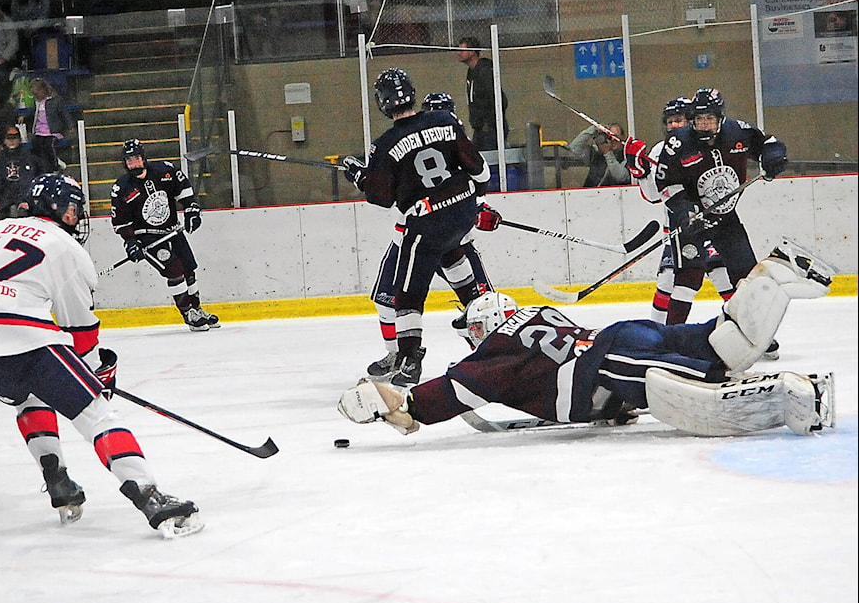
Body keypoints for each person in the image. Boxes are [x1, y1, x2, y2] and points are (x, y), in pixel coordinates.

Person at [0, 173, 203, 538]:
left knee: (30, 396)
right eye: (72, 209)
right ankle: (150, 498)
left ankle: (58, 481)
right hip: (20, 334)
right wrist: (99, 374)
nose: (76, 216)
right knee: (95, 412)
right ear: (53, 208)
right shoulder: (68, 250)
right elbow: (81, 335)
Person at [339, 239, 835, 439]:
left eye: (471, 330)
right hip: (621, 332)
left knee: (688, 379)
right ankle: (770, 275)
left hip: (604, 363)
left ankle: (764, 393)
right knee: (716, 339)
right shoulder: (536, 314)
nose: (472, 340)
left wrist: (388, 404)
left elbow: (438, 397)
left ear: (483, 326)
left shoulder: (494, 350)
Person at [342, 68, 491, 386]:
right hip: (461, 216)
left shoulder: (385, 145)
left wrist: (359, 176)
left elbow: (380, 197)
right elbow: (478, 169)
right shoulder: (446, 122)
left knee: (407, 297)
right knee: (465, 277)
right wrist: (475, 202)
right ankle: (502, 347)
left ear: (382, 104)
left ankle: (409, 360)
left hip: (425, 227)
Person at [627, 88, 788, 333]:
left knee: (745, 275)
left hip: (725, 218)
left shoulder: (738, 131)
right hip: (692, 221)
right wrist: (684, 210)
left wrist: (773, 156)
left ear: (720, 117)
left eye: (709, 119)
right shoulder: (677, 143)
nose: (704, 125)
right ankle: (669, 336)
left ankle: (752, 330)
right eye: (699, 120)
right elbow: (666, 184)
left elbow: (767, 143)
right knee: (687, 279)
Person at [626, 97, 735, 324]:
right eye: (671, 121)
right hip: (678, 232)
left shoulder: (710, 145)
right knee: (668, 280)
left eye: (680, 120)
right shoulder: (659, 150)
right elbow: (654, 197)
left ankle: (749, 328)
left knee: (723, 276)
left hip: (712, 227)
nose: (675, 125)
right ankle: (657, 333)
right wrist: (641, 172)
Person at [110, 138, 221, 332]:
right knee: (174, 269)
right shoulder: (122, 188)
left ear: (144, 158)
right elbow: (120, 221)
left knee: (188, 269)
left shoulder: (164, 171)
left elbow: (183, 189)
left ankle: (197, 308)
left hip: (172, 231)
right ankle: (188, 313)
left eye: (136, 159)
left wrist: (192, 209)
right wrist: (130, 242)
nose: (133, 164)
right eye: (129, 160)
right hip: (149, 239)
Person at [0, 124, 46, 220]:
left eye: (14, 138)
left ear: (20, 139)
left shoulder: (27, 156)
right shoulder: (1, 157)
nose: (12, 141)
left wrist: (25, 200)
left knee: (22, 212)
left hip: (23, 196)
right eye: (9, 138)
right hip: (6, 197)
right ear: (4, 140)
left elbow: (27, 180)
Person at [457, 36, 509, 151]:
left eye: (462, 50)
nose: (459, 53)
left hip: (490, 130)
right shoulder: (471, 72)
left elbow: (500, 99)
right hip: (479, 129)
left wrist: (489, 123)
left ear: (472, 52)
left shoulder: (484, 71)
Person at [18, 76, 73, 172]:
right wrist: (24, 117)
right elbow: (33, 113)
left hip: (52, 131)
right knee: (37, 143)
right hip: (40, 132)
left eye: (37, 93)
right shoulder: (37, 103)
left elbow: (64, 114)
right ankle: (43, 167)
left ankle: (55, 164)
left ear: (43, 90)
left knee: (49, 144)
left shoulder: (56, 101)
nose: (36, 96)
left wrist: (70, 126)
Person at [566, 122, 631, 188]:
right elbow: (574, 148)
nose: (613, 139)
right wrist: (593, 129)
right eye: (609, 136)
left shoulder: (629, 155)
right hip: (589, 194)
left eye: (616, 136)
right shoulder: (597, 152)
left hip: (615, 195)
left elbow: (621, 177)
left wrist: (607, 154)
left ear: (623, 137)